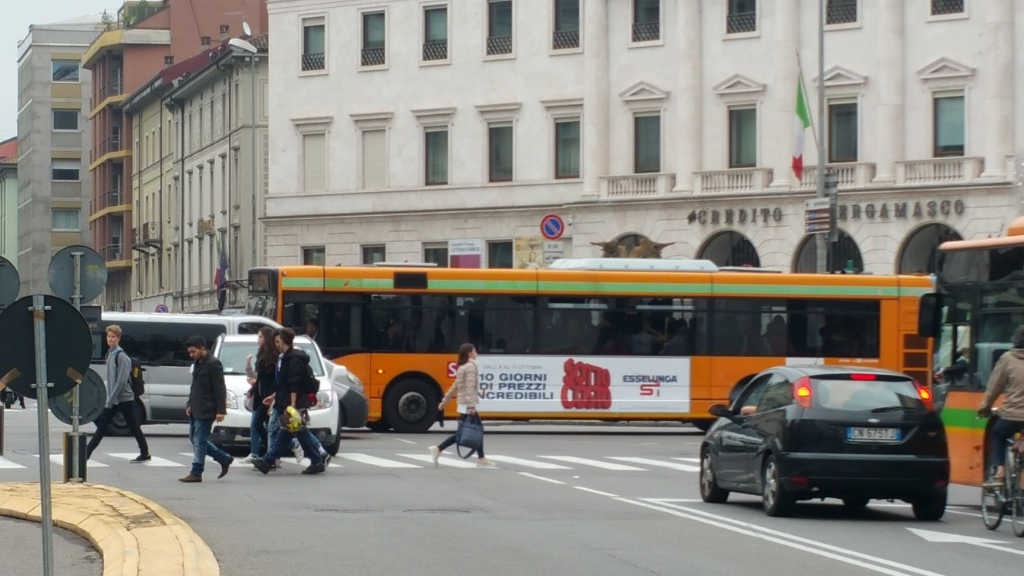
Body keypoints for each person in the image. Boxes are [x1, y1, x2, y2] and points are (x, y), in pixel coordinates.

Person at [251, 328, 327, 475]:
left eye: (278, 341)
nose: (276, 344)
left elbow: (294, 384)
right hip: (283, 401)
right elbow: (283, 383)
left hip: (293, 403)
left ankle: (268, 461)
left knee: (292, 432)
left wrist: (291, 407)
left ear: (285, 341)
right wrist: (273, 396)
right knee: (293, 433)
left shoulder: (294, 359)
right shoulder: (283, 357)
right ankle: (316, 460)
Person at [86, 325, 150, 462]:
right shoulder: (110, 354)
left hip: (124, 399)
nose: (110, 339)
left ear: (118, 338)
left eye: (113, 337)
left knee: (108, 427)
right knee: (126, 427)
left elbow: (121, 382)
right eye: (109, 336)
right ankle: (145, 453)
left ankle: (86, 454)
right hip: (116, 398)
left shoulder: (122, 357)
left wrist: (110, 400)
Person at [429, 343, 492, 468]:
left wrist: (444, 402)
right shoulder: (470, 367)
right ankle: (439, 448)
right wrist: (471, 406)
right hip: (468, 406)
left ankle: (480, 458)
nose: (476, 352)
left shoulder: (462, 367)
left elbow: (455, 386)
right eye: (475, 350)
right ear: (470, 353)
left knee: (471, 431)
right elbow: (469, 388)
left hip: (463, 404)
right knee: (474, 431)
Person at [180, 336, 233, 483]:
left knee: (200, 440)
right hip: (196, 407)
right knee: (195, 439)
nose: (191, 355)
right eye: (189, 352)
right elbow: (194, 386)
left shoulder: (213, 364)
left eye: (193, 351)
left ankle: (196, 471)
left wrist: (221, 410)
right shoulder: (198, 362)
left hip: (207, 409)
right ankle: (224, 458)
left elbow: (220, 388)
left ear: (202, 348)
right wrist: (189, 404)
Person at [977, 326, 1024, 487]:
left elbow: (994, 387)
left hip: (1011, 415)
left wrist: (984, 407)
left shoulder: (1007, 358)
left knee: (997, 434)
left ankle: (1000, 472)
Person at [244, 326, 278, 462]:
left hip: (269, 396)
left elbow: (272, 378)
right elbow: (259, 378)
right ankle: (271, 452)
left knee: (262, 424)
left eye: (260, 337)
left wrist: (274, 394)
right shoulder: (261, 354)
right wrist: (252, 389)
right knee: (259, 425)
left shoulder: (274, 356)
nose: (258, 339)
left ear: (267, 338)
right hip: (260, 395)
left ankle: (273, 453)